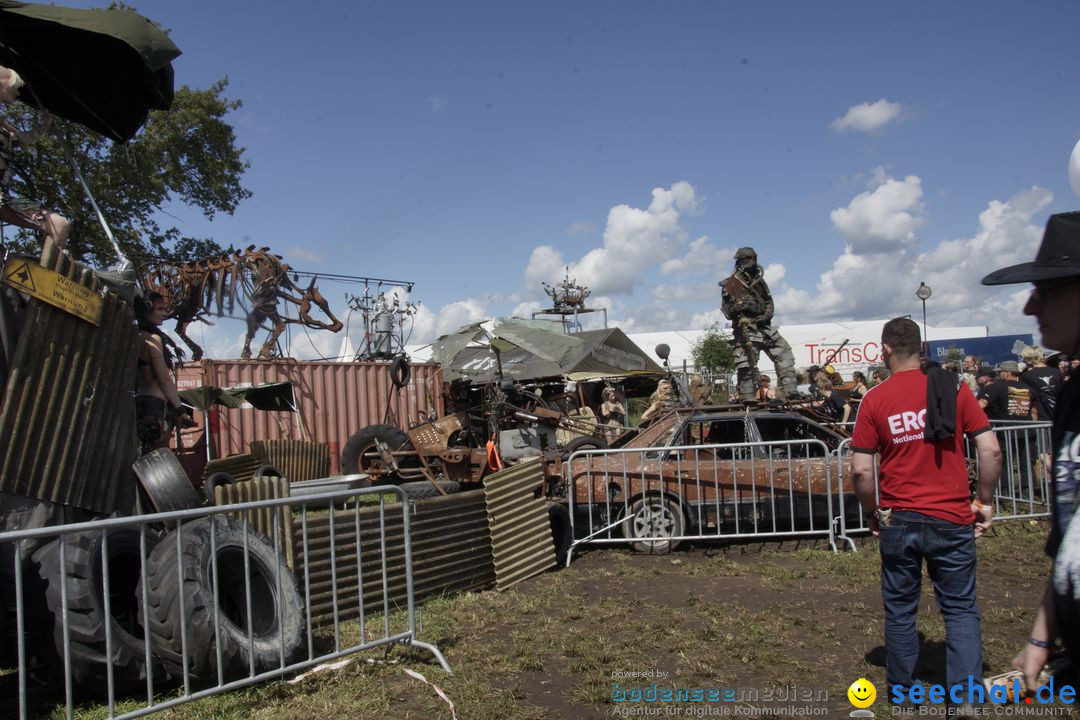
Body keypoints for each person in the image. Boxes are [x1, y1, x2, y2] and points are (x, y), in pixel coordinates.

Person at [850, 317, 1001, 703]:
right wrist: (982, 501)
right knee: (961, 609)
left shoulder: (874, 398)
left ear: (885, 351)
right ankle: (966, 697)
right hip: (951, 517)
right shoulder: (953, 387)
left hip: (899, 518)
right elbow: (991, 450)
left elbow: (861, 469)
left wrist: (872, 512)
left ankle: (902, 692)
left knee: (901, 609)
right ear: (921, 348)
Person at [981, 211, 1080, 689]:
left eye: (1047, 290)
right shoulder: (1075, 395)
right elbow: (1070, 546)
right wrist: (1042, 640)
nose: (1028, 308)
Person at [0, 66, 70, 250]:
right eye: (14, 87)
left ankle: (46, 276)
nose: (17, 93)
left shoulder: (3, 126)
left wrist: (43, 126)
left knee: (59, 225)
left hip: (3, 198)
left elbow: (23, 139)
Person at [720, 247, 797, 401]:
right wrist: (737, 308)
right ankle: (748, 397)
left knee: (784, 353)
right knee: (747, 364)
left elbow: (769, 302)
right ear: (740, 261)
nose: (752, 262)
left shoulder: (760, 282)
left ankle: (789, 390)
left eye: (753, 258)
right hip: (746, 329)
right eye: (748, 258)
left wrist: (765, 315)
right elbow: (727, 311)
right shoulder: (731, 283)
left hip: (765, 326)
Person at [135, 291, 194, 452]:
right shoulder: (153, 339)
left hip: (139, 405)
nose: (164, 313)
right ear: (147, 311)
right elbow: (164, 380)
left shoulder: (136, 336)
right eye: (159, 309)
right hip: (155, 409)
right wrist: (181, 411)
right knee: (158, 459)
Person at [1021, 346, 1063, 422]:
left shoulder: (1026, 376)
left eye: (1025, 358)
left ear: (1030, 358)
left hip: (1042, 419)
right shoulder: (1057, 372)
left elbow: (1025, 400)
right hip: (1060, 416)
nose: (1023, 361)